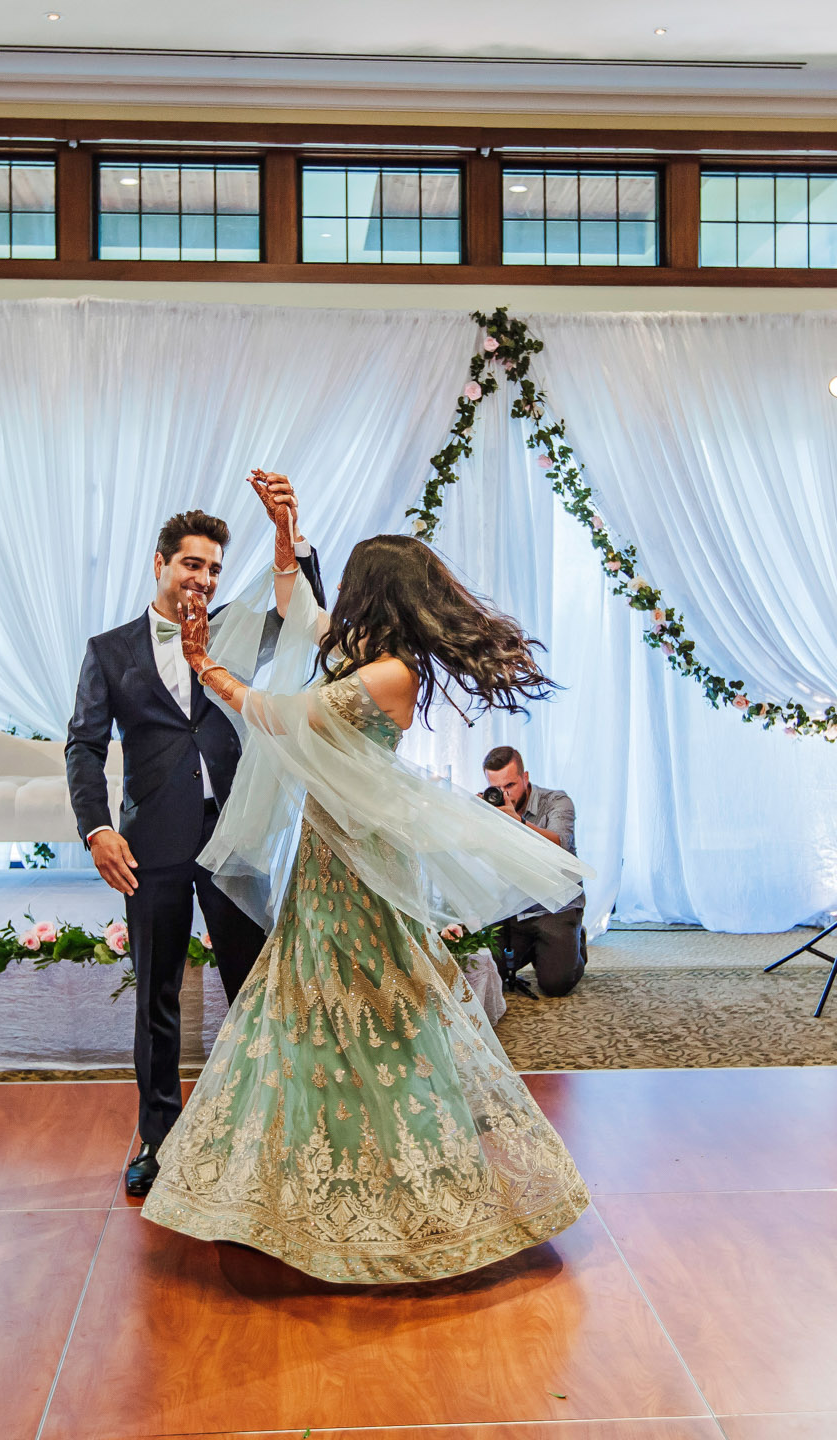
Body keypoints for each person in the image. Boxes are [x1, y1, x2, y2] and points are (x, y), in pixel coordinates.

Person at [139, 531, 594, 1284]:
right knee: (308, 1005)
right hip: (327, 855)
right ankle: (301, 1187)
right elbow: (303, 609)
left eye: (353, 584)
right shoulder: (362, 654)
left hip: (360, 863)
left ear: (375, 593)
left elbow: (281, 716)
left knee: (380, 1007)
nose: (341, 598)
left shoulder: (387, 675)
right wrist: (286, 538)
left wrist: (203, 667)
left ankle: (410, 1190)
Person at [65, 475, 325, 1200]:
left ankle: (265, 1124)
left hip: (235, 837)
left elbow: (303, 614)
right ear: (160, 563)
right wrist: (96, 828)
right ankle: (158, 1135)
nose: (203, 578)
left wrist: (290, 541)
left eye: (213, 567)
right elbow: (83, 747)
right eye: (191, 564)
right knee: (157, 997)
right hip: (152, 846)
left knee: (254, 987)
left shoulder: (241, 628)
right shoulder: (110, 651)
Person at [477, 746, 586, 997]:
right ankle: (542, 949)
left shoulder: (557, 801)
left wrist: (519, 822)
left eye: (511, 785)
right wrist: (475, 818)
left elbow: (559, 844)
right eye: (497, 787)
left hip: (555, 906)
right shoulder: (490, 807)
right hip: (513, 906)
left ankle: (574, 941)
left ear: (525, 777)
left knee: (555, 984)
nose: (505, 794)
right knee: (491, 972)